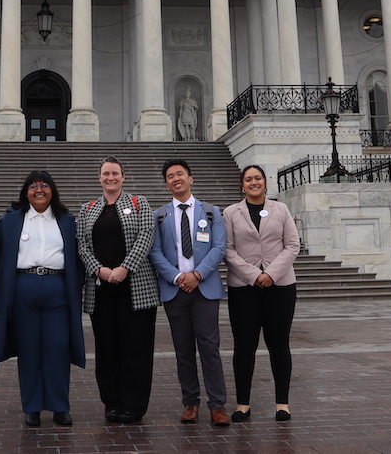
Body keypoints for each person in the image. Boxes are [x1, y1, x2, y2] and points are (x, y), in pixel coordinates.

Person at [0, 170, 86, 427]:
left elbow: (78, 256)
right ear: (25, 191)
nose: (38, 190)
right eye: (33, 186)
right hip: (23, 287)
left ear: (52, 190)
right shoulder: (11, 221)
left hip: (57, 288)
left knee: (57, 347)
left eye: (44, 185)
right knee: (29, 348)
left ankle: (59, 406)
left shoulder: (67, 220)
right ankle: (32, 407)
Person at [77, 157, 160, 423]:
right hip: (101, 291)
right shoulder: (88, 209)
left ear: (123, 176)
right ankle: (111, 402)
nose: (110, 177)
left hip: (135, 290)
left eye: (114, 173)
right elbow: (81, 244)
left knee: (136, 349)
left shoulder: (139, 203)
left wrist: (125, 268)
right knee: (107, 349)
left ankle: (134, 405)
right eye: (105, 173)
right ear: (99, 177)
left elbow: (147, 235)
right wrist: (98, 269)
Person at [149, 158, 230, 425]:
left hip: (204, 288)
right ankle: (190, 403)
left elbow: (219, 247)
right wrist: (176, 277)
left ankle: (217, 406)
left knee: (209, 347)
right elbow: (155, 252)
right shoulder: (159, 215)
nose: (176, 179)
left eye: (180, 174)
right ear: (166, 184)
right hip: (176, 291)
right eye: (170, 176)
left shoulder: (211, 211)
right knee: (183, 349)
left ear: (190, 178)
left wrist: (197, 275)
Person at [224, 164, 300, 422]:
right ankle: (243, 403)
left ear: (265, 182)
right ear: (242, 185)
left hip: (280, 287)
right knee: (244, 346)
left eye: (257, 178)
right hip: (244, 289)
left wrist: (271, 274)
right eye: (248, 179)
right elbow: (228, 250)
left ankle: (282, 403)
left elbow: (292, 245)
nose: (253, 182)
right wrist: (255, 275)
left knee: (279, 344)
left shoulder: (281, 209)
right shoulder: (231, 212)